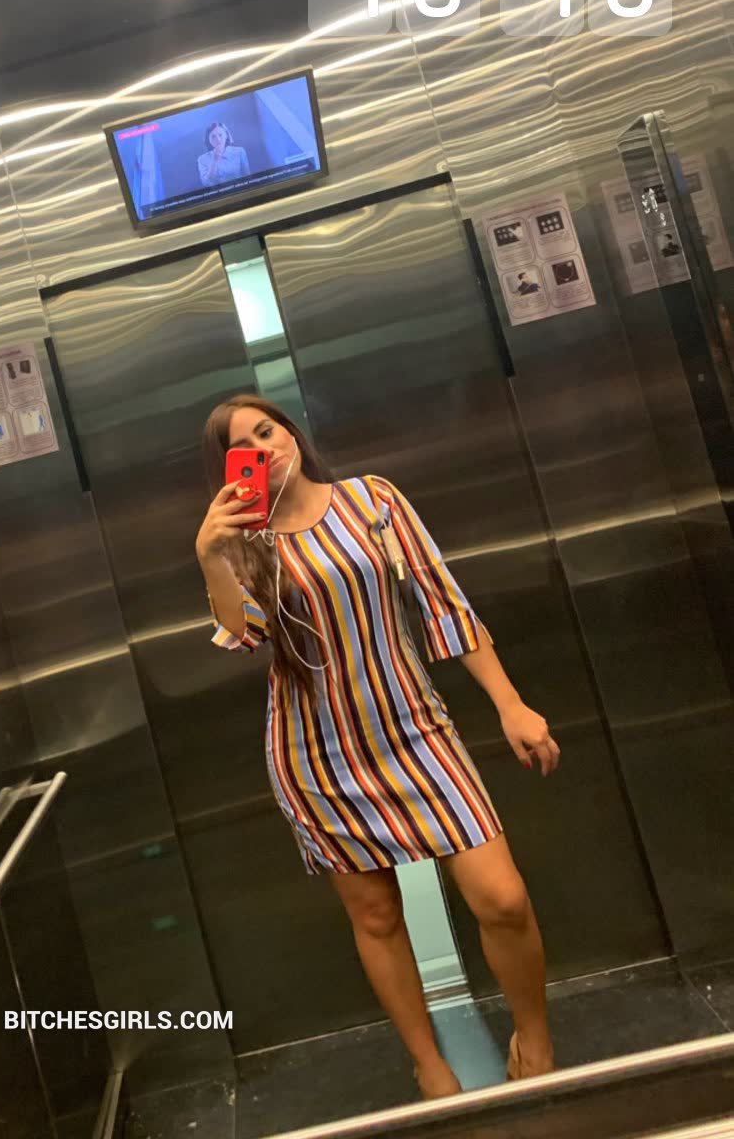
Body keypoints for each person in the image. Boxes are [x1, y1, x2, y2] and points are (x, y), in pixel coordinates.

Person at [196, 394, 559, 1101]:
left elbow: (443, 604)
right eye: (245, 446)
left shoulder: (373, 501)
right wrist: (211, 556)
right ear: (230, 468)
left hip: (415, 731)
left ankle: (536, 1041)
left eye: (268, 430)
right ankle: (429, 1064)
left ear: (290, 430)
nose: (265, 447)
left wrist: (510, 703)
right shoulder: (243, 539)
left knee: (503, 898)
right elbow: (242, 635)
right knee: (377, 917)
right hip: (317, 757)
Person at [197, 121, 250, 187]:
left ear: (226, 136)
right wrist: (214, 160)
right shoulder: (202, 159)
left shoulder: (239, 151)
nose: (218, 140)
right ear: (208, 139)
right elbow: (206, 183)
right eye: (213, 137)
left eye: (220, 135)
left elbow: (247, 177)